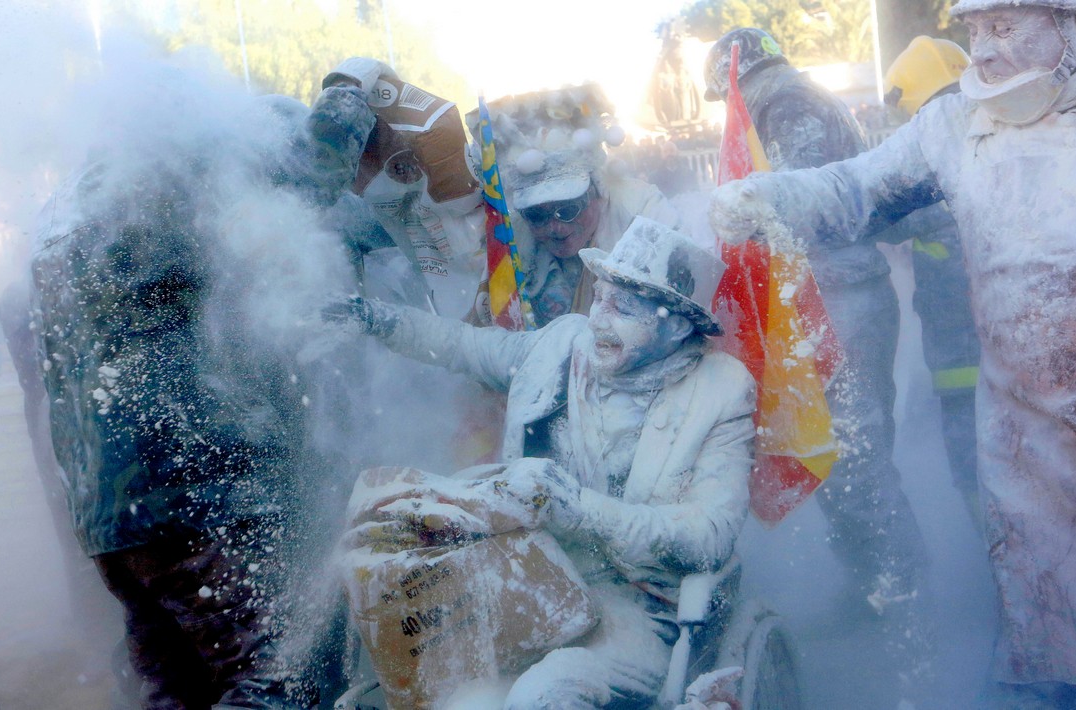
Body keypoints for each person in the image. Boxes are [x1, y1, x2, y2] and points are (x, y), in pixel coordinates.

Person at [710, 4, 1076, 707]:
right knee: (1052, 628)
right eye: (974, 31)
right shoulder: (958, 124)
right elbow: (856, 188)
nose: (983, 51)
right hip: (1023, 441)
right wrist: (768, 197)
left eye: (1004, 26)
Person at [31, 84, 375, 709]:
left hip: (110, 518)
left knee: (171, 682)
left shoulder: (61, 213)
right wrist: (351, 103)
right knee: (283, 672)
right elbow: (314, 170)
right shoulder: (168, 180)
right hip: (197, 496)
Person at [325, 217, 756, 707]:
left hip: (634, 607)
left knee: (546, 694)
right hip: (521, 574)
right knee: (455, 697)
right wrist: (374, 318)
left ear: (677, 325)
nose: (599, 319)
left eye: (626, 307)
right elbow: (463, 345)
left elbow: (709, 537)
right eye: (600, 297)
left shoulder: (722, 390)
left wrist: (576, 507)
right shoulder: (562, 345)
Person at [704, 28, 929, 607]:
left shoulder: (786, 105)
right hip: (829, 299)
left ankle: (900, 593)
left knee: (855, 458)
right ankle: (874, 584)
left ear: (735, 77)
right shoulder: (793, 99)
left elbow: (793, 210)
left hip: (836, 301)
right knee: (840, 456)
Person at [467, 85, 682, 326]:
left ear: (597, 191)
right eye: (537, 215)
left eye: (567, 210)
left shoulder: (643, 212)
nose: (555, 227)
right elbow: (485, 330)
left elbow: (680, 306)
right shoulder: (511, 236)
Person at [881, 37, 984, 528]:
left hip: (963, 361)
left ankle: (995, 561)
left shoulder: (934, 162)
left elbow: (881, 219)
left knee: (974, 467)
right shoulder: (987, 134)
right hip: (988, 354)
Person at [321, 57, 484, 316]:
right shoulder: (353, 190)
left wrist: (351, 83)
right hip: (441, 286)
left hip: (479, 259)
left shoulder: (432, 132)